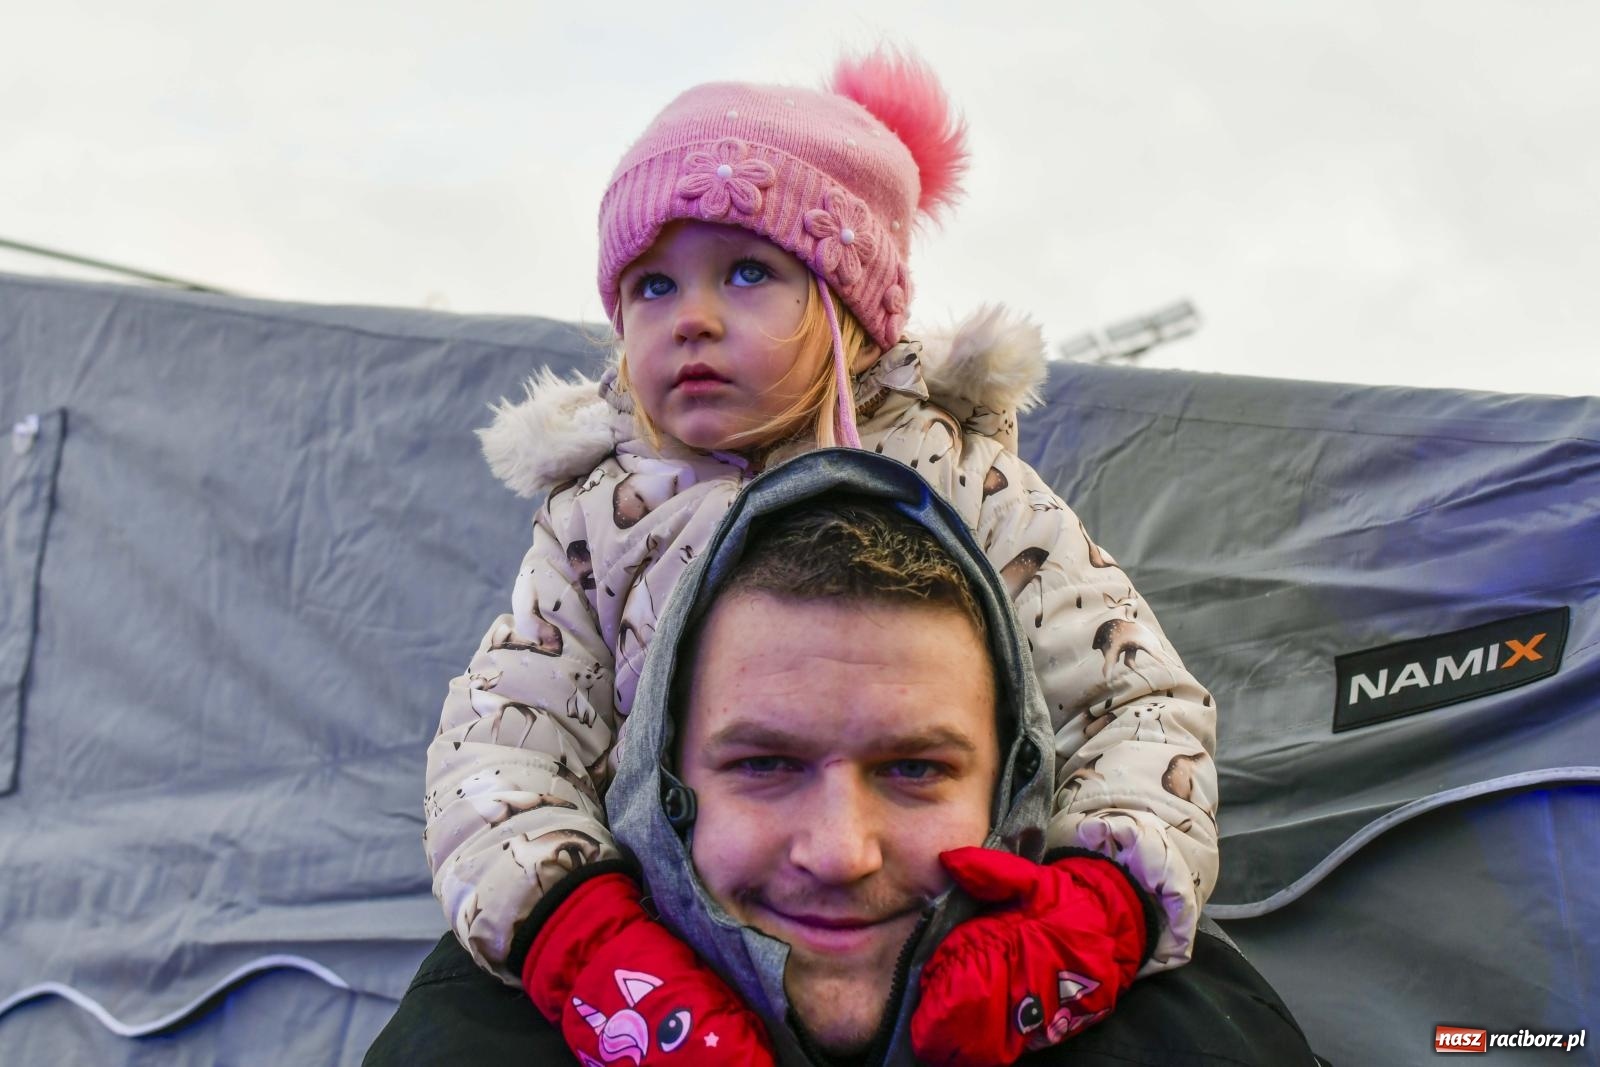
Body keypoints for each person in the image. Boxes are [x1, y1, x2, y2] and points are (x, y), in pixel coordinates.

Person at [421, 47, 1219, 1064]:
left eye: (747, 270)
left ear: (851, 310)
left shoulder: (961, 479)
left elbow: (1136, 704)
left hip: (941, 933)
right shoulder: (594, 520)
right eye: (652, 285)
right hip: (672, 952)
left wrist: (1087, 908)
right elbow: (498, 750)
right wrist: (588, 945)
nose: (692, 317)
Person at [370, 451, 1319, 1065]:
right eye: (765, 764)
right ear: (662, 788)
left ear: (1014, 781)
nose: (840, 851)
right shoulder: (475, 1040)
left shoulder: (1196, 1040)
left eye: (914, 769)